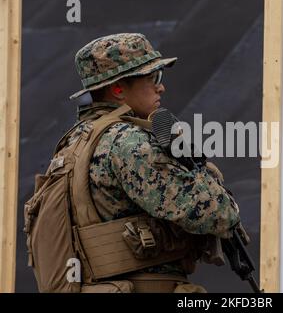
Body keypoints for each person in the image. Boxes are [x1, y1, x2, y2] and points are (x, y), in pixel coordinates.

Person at [64, 33, 240, 292]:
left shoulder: (75, 142)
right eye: (152, 78)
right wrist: (202, 172)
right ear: (118, 89)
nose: (161, 87)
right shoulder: (129, 144)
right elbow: (219, 214)